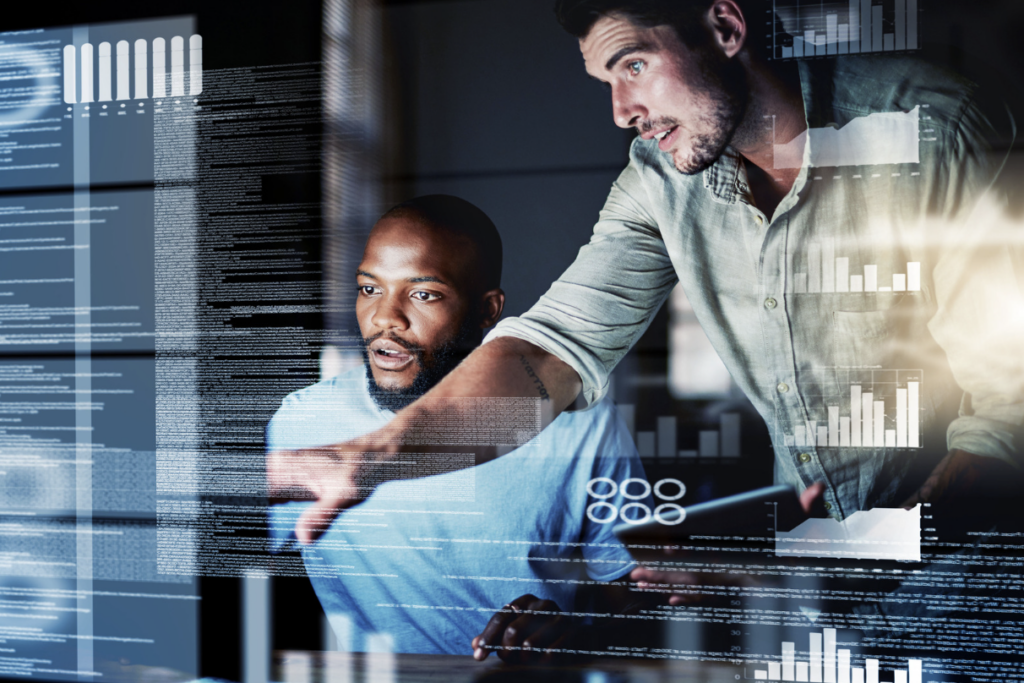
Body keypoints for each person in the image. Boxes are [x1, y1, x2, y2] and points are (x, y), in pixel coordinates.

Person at [268, 0, 1021, 593]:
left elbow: (1009, 420)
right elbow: (545, 358)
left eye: (633, 65)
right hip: (823, 596)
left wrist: (852, 556)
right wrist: (371, 458)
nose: (621, 109)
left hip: (976, 587)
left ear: (724, 28)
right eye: (607, 81)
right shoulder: (658, 179)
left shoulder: (937, 127)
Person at [267, 195, 649, 657]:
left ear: (488, 310)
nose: (385, 317)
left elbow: (639, 604)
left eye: (423, 294)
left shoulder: (581, 427)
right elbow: (260, 595)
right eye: (369, 288)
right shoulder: (303, 421)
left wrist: (574, 635)